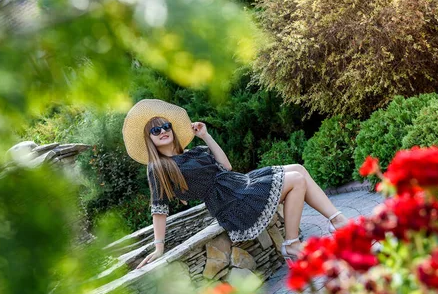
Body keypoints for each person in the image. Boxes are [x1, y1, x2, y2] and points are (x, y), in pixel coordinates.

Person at [121, 99, 348, 269]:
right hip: (229, 202)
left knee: (298, 169)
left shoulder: (194, 152)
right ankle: (292, 243)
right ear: (149, 138)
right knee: (297, 180)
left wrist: (206, 136)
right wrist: (159, 245)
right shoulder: (158, 167)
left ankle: (336, 220)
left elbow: (226, 166)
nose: (162, 132)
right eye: (155, 130)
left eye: (166, 126)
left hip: (239, 184)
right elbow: (159, 208)